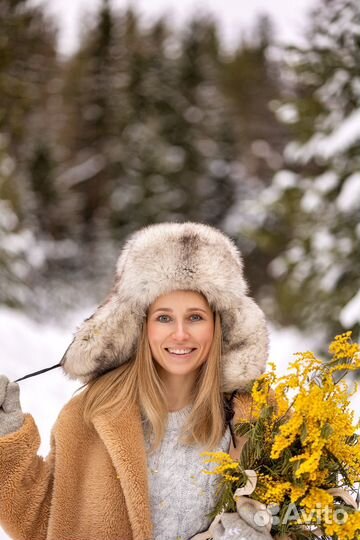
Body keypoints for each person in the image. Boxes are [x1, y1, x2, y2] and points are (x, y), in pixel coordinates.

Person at [0, 222, 271, 540]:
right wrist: (7, 441)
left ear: (218, 324)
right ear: (142, 326)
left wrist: (268, 529)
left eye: (195, 317)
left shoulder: (258, 418)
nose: (180, 334)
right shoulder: (90, 417)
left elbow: (305, 511)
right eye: (164, 318)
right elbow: (43, 522)